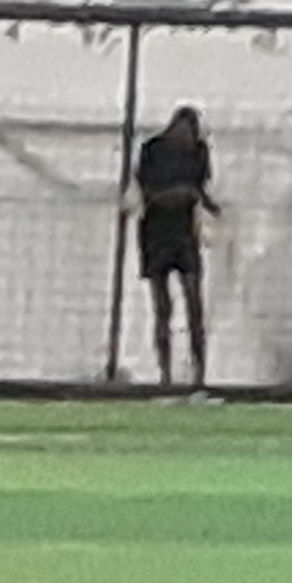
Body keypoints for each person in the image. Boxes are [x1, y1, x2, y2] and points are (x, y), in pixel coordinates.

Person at [130, 105, 219, 394]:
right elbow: (148, 194)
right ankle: (165, 373)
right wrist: (180, 194)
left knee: (194, 302)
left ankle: (199, 373)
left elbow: (200, 188)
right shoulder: (152, 150)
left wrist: (207, 203)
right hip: (156, 234)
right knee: (162, 307)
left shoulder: (199, 153)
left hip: (184, 234)